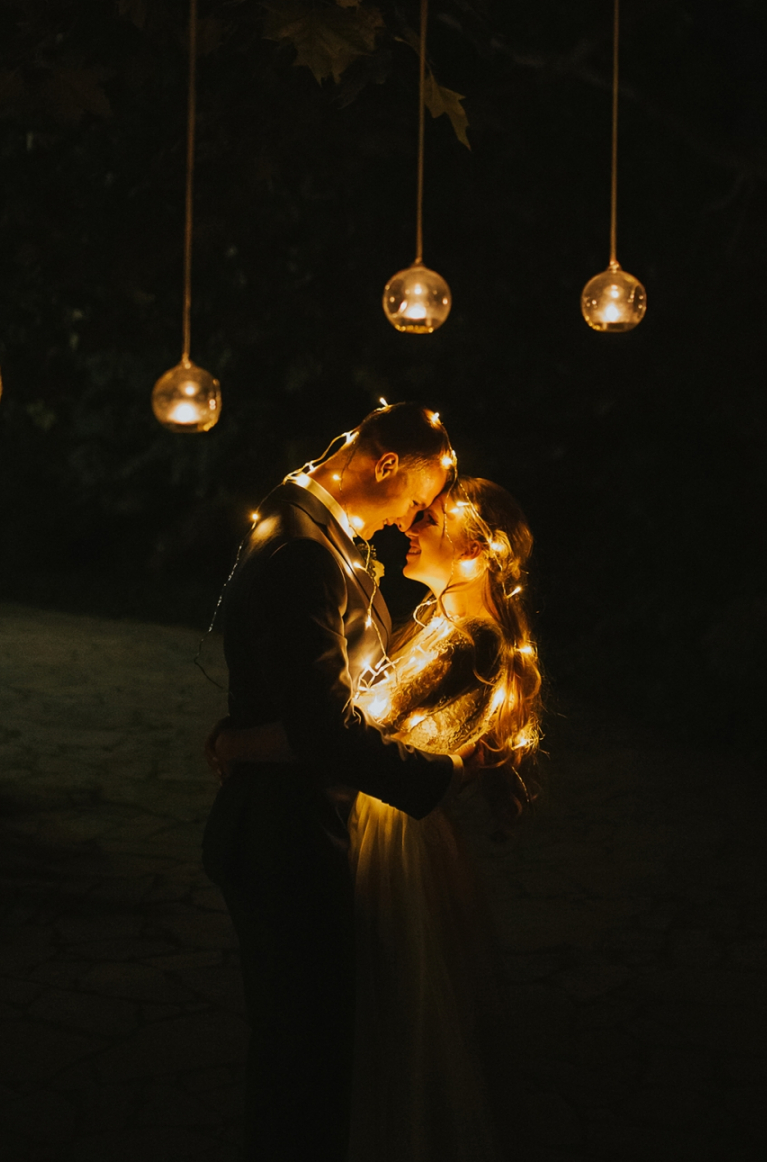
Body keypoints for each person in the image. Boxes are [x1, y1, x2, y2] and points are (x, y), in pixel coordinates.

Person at [210, 474, 543, 1162]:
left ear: (474, 545)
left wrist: (234, 744)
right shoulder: (444, 629)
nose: (409, 525)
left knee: (396, 1011)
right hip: (398, 823)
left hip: (402, 838)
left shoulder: (464, 643)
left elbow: (339, 733)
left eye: (430, 517)